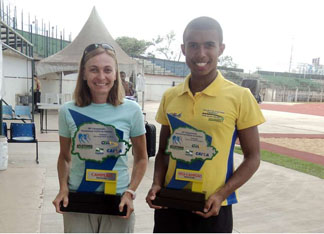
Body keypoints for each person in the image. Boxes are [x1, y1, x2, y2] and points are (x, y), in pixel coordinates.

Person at [145, 16, 265, 233]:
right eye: (193, 45)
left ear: (221, 48)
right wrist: (156, 184)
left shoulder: (240, 96)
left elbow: (253, 157)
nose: (200, 54)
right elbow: (163, 152)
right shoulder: (171, 96)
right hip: (170, 204)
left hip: (213, 208)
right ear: (183, 49)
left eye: (209, 45)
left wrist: (221, 194)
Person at [52, 43, 148, 233]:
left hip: (118, 201)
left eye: (107, 70)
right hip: (79, 199)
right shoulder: (68, 111)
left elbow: (142, 158)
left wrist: (130, 192)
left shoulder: (132, 110)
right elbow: (64, 157)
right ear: (84, 73)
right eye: (94, 70)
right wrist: (63, 188)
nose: (101, 77)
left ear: (115, 74)